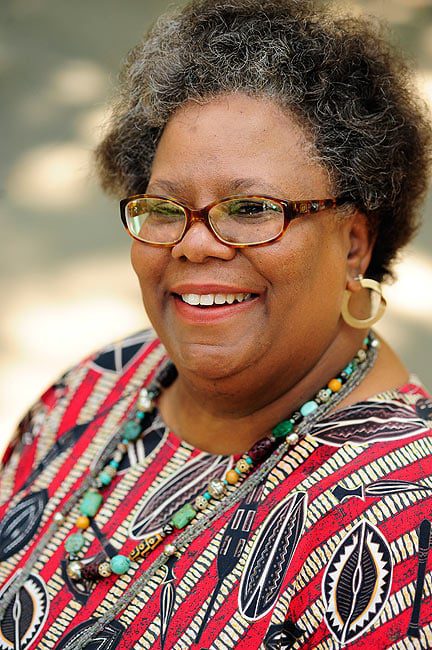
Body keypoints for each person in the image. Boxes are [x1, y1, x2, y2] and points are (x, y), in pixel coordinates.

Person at [0, 0, 431, 647]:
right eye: (166, 207)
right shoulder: (102, 383)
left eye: (251, 208)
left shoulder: (402, 521)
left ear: (353, 244)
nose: (195, 245)